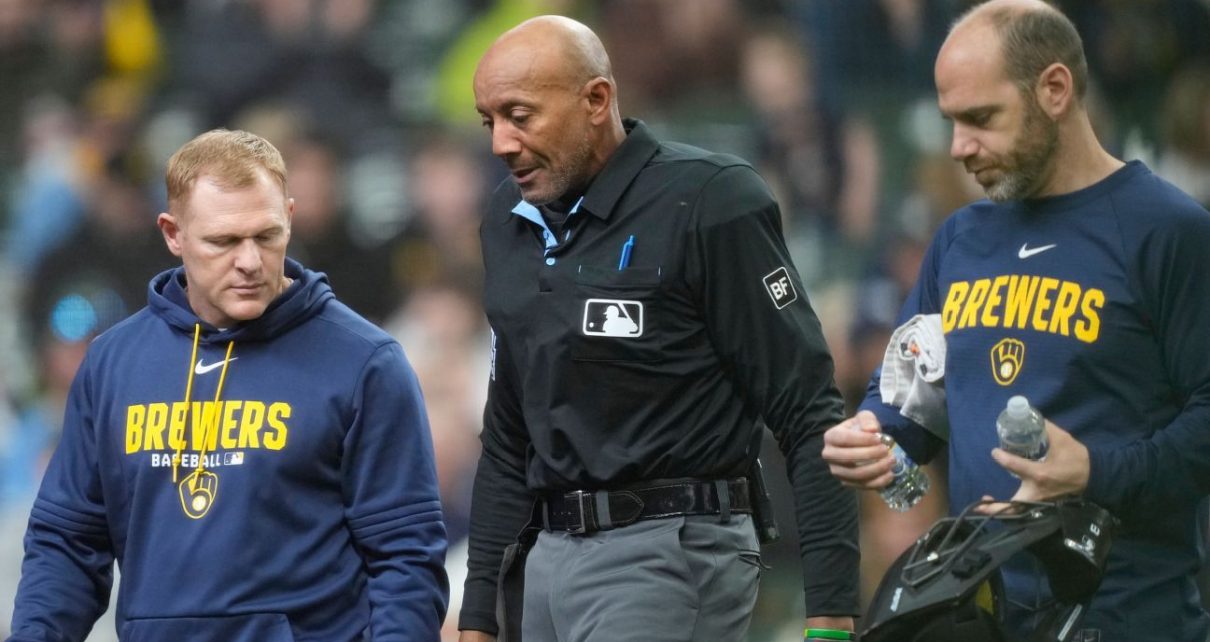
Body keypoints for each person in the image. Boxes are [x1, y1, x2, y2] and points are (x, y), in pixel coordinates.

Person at [460, 15, 859, 642]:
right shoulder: (508, 221)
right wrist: (479, 613)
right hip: (543, 563)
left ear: (597, 100)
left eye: (520, 116)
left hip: (670, 549)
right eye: (490, 122)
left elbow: (808, 411)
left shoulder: (711, 201)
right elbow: (510, 437)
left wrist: (831, 617)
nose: (500, 145)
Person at [821, 1, 1210, 640]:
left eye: (980, 118)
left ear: (1054, 90)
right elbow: (909, 401)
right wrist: (873, 435)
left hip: (1129, 615)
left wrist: (1097, 472)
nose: (958, 148)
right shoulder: (958, 240)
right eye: (951, 122)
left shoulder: (1169, 231)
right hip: (984, 612)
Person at [7, 129, 449, 641]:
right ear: (173, 234)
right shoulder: (113, 364)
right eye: (224, 241)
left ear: (289, 218)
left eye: (267, 236)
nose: (250, 261)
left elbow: (406, 558)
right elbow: (67, 542)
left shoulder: (364, 362)